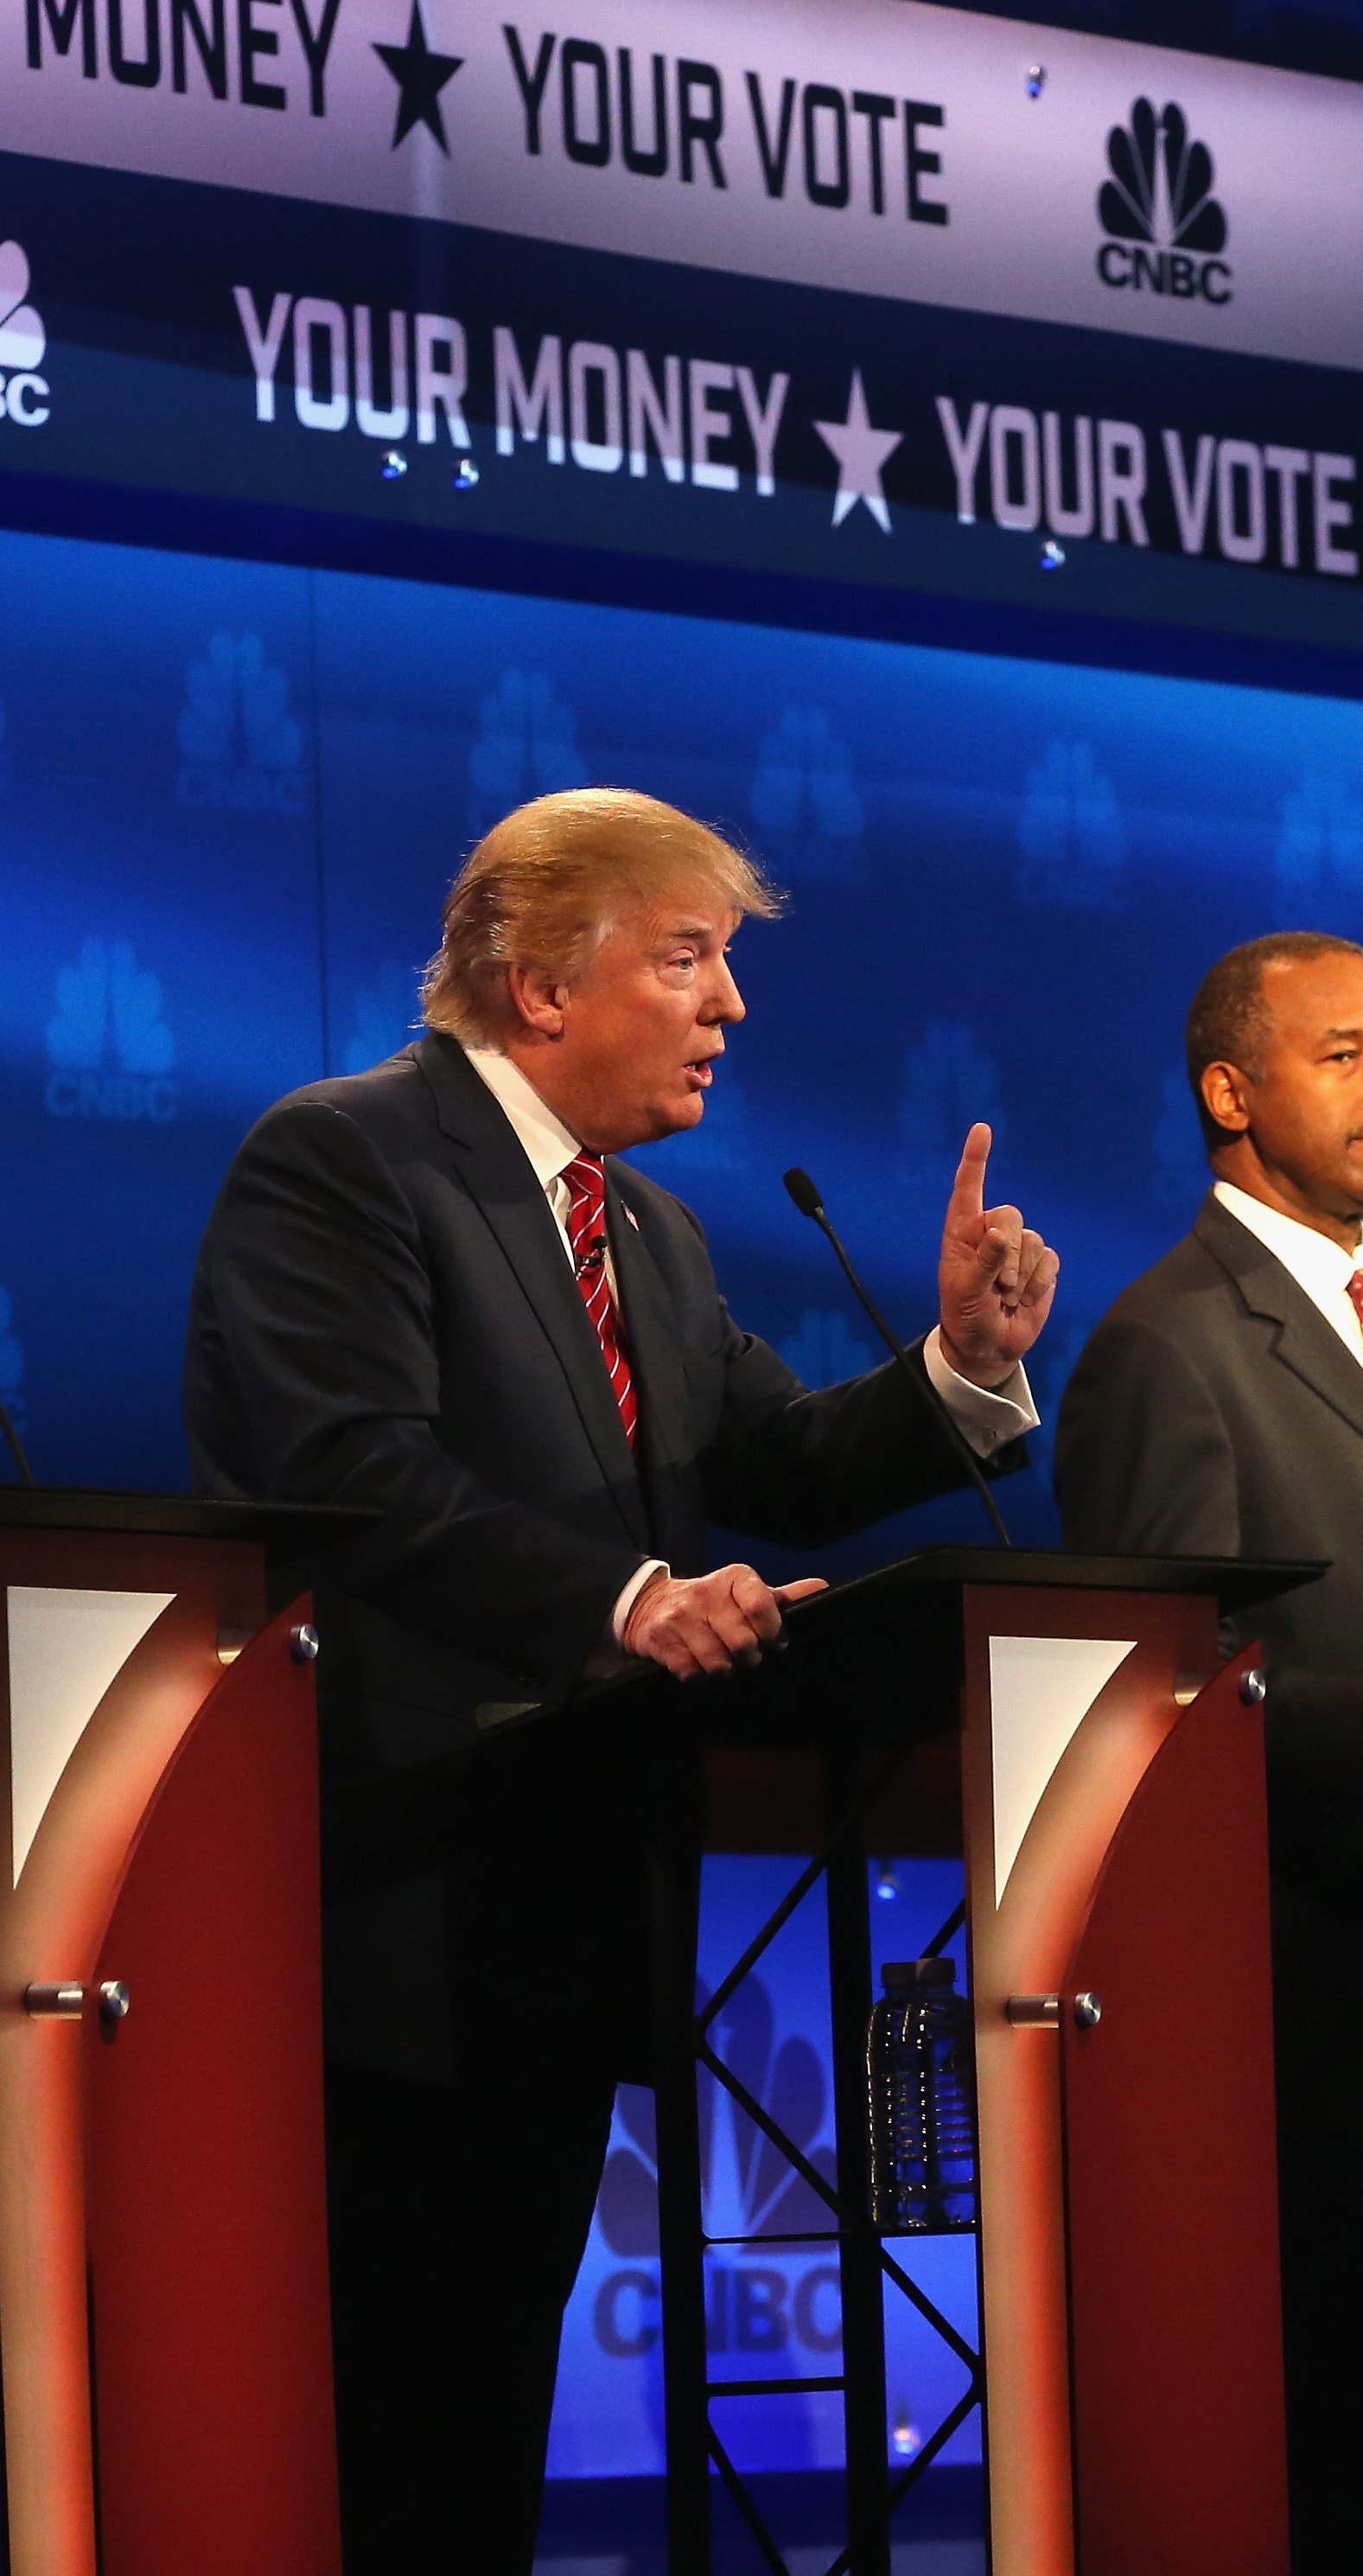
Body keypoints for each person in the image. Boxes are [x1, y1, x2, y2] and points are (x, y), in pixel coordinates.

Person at [184, 788, 1058, 2576]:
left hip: (570, 1908)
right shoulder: (344, 1159)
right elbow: (352, 1474)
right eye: (688, 959)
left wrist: (957, 1369)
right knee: (388, 2432)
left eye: (724, 963)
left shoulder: (647, 1237)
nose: (730, 1007)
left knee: (484, 2434)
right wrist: (633, 1600)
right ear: (537, 985)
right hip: (391, 1916)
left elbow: (784, 1466)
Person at [1053, 932, 1363, 2576]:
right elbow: (1160, 1698)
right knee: (1331, 2479)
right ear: (1230, 1092)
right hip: (1309, 2022)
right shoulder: (1168, 1343)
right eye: (1342, 1053)